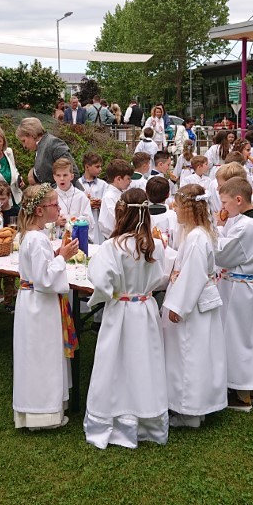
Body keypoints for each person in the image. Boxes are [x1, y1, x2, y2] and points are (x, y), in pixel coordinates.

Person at [84, 189, 171, 449]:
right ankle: (147, 420)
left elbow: (101, 281)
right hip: (145, 309)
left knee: (115, 363)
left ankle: (112, 418)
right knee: (144, 363)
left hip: (120, 311)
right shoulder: (154, 246)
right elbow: (161, 277)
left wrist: (104, 296)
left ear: (120, 213)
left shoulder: (112, 247)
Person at [13, 184, 80, 429]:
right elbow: (44, 280)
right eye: (54, 204)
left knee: (35, 354)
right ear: (40, 210)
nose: (59, 208)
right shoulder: (37, 239)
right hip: (40, 305)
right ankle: (43, 413)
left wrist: (56, 255)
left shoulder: (31, 236)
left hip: (31, 301)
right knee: (43, 354)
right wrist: (62, 257)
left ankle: (37, 410)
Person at [162, 184, 226, 428]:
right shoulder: (197, 234)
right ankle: (192, 408)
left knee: (189, 354)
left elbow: (194, 275)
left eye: (178, 206)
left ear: (188, 208)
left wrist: (179, 306)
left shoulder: (197, 238)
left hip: (193, 306)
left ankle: (189, 411)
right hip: (197, 301)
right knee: (194, 353)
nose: (175, 210)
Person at [214, 176, 253, 412]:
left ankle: (241, 393)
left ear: (238, 200)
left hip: (240, 288)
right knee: (252, 337)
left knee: (237, 339)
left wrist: (217, 228)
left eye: (225, 203)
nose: (223, 208)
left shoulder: (244, 226)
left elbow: (223, 254)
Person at [16, 117, 82, 190]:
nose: (24, 146)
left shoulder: (53, 143)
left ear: (31, 134)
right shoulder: (41, 146)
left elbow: (74, 173)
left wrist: (50, 192)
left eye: (24, 141)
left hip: (70, 195)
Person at [98, 159, 133, 240]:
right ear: (118, 179)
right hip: (115, 238)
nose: (130, 181)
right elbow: (113, 221)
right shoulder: (109, 197)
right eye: (128, 178)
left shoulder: (122, 194)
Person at [80, 153, 106, 243]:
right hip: (83, 222)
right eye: (97, 166)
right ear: (87, 167)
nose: (100, 169)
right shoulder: (78, 184)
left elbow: (108, 203)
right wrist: (87, 204)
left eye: (101, 166)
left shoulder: (103, 184)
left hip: (98, 220)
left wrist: (101, 203)